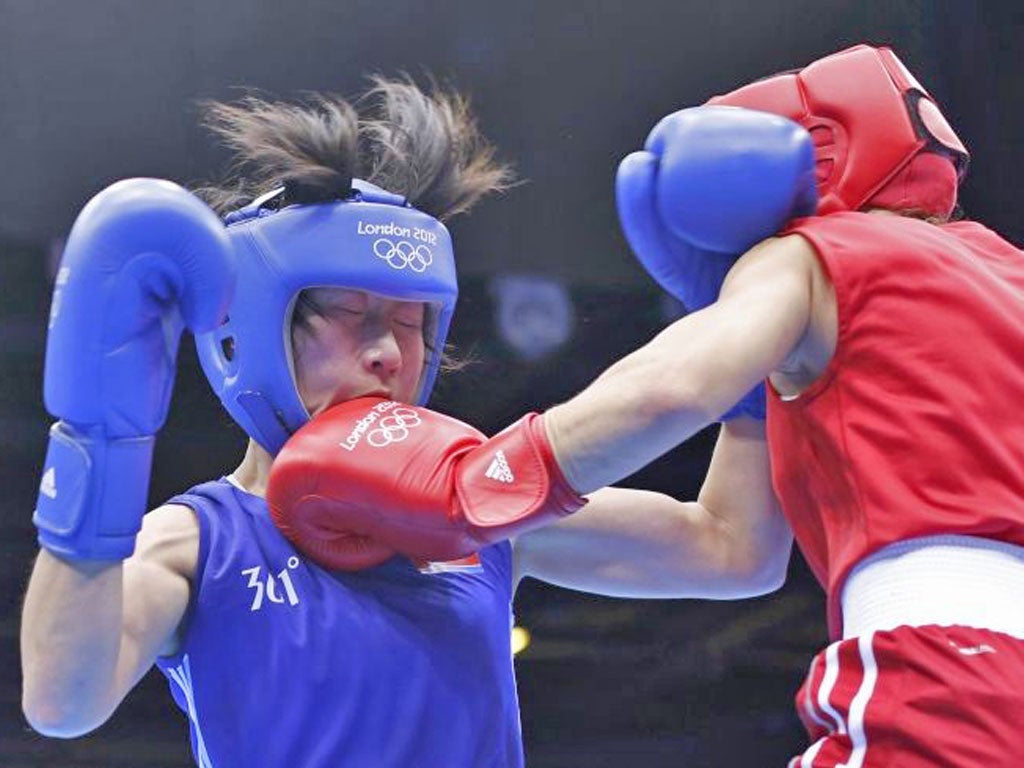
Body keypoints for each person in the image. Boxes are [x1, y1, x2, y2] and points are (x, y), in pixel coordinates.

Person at [274, 45, 1024, 767]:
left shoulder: (813, 251)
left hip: (954, 670)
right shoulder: (1002, 269)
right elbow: (740, 550)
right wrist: (754, 390)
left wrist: (481, 482)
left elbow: (672, 389)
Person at [20, 77, 800, 768]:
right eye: (352, 315)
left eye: (411, 322)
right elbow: (62, 701)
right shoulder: (200, 541)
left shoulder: (483, 513)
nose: (388, 352)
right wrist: (99, 437)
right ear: (255, 328)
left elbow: (736, 551)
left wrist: (742, 329)